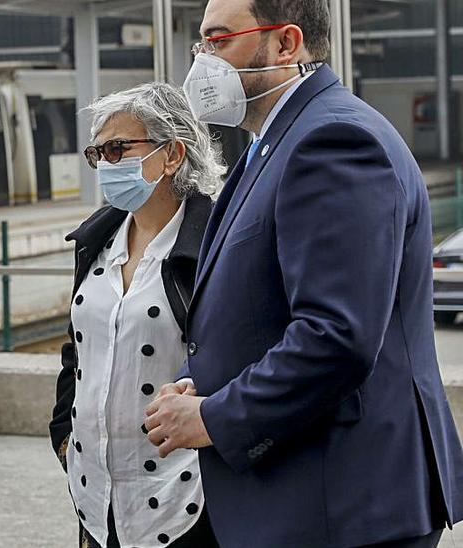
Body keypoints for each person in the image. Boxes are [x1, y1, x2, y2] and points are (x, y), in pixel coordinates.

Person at [143, 0, 463, 546]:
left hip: (339, 504)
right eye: (200, 43)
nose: (202, 61)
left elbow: (336, 336)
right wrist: (216, 380)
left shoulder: (332, 141)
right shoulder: (276, 141)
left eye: (219, 41)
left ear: (287, 44)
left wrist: (215, 416)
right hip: (314, 498)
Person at [49, 82, 224, 548]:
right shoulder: (96, 243)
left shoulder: (212, 247)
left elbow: (231, 360)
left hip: (181, 496)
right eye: (98, 153)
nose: (106, 165)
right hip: (95, 495)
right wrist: (63, 434)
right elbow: (77, 350)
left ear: (172, 155)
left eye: (118, 149)